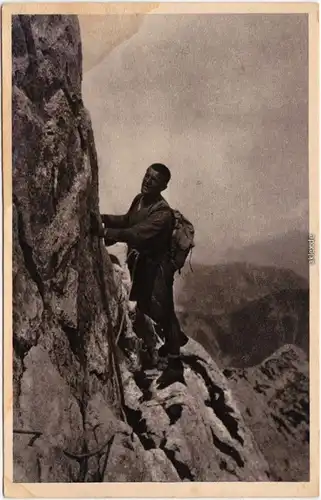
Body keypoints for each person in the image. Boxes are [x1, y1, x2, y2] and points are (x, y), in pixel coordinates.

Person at [93, 163, 188, 361]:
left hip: (160, 267)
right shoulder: (140, 200)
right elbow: (128, 221)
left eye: (154, 180)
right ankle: (175, 338)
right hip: (145, 263)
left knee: (163, 310)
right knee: (146, 306)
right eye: (147, 175)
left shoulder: (162, 214)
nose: (147, 181)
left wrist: (106, 232)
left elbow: (136, 234)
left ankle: (173, 359)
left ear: (163, 187)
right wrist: (103, 218)